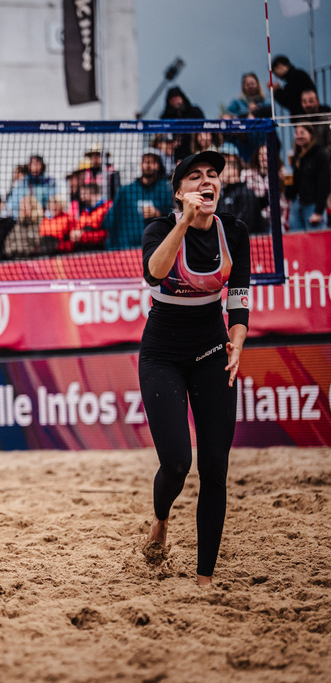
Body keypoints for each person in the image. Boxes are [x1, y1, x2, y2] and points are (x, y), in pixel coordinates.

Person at [139, 150, 251, 587]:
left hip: (212, 349)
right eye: (195, 177)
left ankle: (204, 579)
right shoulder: (160, 229)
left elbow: (239, 295)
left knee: (215, 468)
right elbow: (154, 273)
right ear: (179, 191)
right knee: (176, 463)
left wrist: (238, 342)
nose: (207, 183)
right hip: (162, 353)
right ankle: (162, 519)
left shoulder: (234, 231)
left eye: (212, 176)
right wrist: (184, 221)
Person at [102, 149, 172, 251]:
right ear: (140, 164)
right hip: (127, 249)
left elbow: (173, 220)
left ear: (158, 165)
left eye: (152, 162)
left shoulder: (165, 190)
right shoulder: (126, 191)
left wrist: (159, 214)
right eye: (145, 161)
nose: (148, 165)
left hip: (155, 249)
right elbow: (109, 220)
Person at [285, 124, 330, 232]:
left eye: (302, 133)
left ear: (311, 135)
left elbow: (324, 184)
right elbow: (296, 182)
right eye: (296, 133)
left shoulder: (321, 155)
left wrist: (318, 212)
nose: (299, 136)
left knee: (316, 244)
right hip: (296, 205)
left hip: (313, 206)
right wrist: (288, 190)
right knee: (296, 242)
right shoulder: (296, 155)